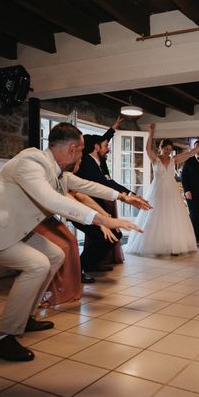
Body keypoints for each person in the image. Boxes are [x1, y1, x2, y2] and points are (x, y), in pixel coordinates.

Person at [0, 122, 146, 362]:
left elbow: (85, 185)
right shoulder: (30, 163)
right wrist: (106, 220)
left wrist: (123, 196)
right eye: (82, 150)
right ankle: (1, 338)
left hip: (5, 229)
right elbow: (50, 199)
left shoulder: (56, 171)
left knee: (54, 255)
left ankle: (24, 316)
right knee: (37, 265)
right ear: (73, 149)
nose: (82, 154)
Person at [75, 118, 151, 279]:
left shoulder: (99, 162)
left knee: (111, 236)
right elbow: (102, 183)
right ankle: (78, 270)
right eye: (106, 146)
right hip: (82, 208)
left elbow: (108, 180)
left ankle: (89, 265)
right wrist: (127, 196)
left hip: (95, 208)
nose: (108, 149)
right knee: (107, 237)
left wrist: (129, 195)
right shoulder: (87, 162)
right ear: (96, 147)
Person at [125, 125, 199, 256]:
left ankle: (172, 245)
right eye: (166, 149)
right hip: (157, 193)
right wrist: (151, 132)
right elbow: (147, 148)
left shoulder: (173, 160)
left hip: (171, 193)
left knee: (172, 219)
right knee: (154, 219)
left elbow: (190, 153)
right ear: (161, 148)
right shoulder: (155, 159)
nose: (168, 152)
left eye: (170, 150)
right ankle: (155, 245)